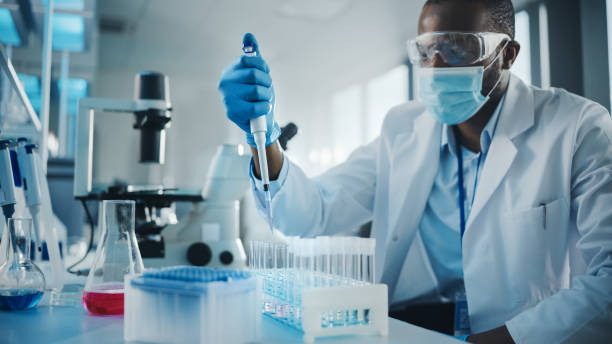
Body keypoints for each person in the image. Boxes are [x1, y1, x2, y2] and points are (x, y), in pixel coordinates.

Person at [218, 0, 612, 342]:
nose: (436, 66)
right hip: (410, 328)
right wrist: (263, 137)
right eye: (426, 51)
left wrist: (506, 340)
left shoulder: (577, 128)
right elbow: (314, 211)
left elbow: (608, 277)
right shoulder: (402, 128)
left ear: (507, 54)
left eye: (458, 48)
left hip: (520, 335)